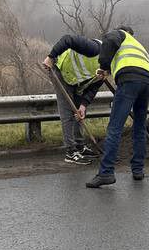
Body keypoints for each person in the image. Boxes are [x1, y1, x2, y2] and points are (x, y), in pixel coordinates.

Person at [85, 27, 149, 188]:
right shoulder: (139, 45)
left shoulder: (119, 34)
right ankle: (138, 170)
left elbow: (109, 41)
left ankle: (106, 173)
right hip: (147, 82)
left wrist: (103, 67)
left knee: (115, 127)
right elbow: (129, 61)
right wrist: (109, 70)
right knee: (139, 126)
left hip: (129, 80)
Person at [43, 33, 105, 164]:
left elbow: (93, 88)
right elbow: (68, 39)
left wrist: (83, 105)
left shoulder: (108, 67)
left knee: (79, 112)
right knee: (68, 113)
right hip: (61, 71)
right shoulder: (94, 48)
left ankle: (80, 147)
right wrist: (51, 57)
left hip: (76, 81)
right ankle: (70, 152)